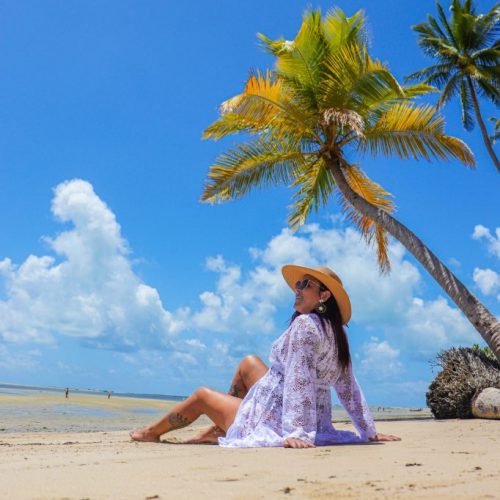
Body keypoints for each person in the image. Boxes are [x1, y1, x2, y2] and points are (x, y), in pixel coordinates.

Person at [130, 265, 401, 448]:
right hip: (283, 402)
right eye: (297, 284)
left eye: (305, 284)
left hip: (277, 415)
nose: (297, 288)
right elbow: (348, 387)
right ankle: (222, 429)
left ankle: (151, 433)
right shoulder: (337, 333)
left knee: (201, 395)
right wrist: (368, 431)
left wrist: (295, 432)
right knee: (249, 362)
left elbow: (299, 379)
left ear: (324, 295)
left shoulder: (306, 324)